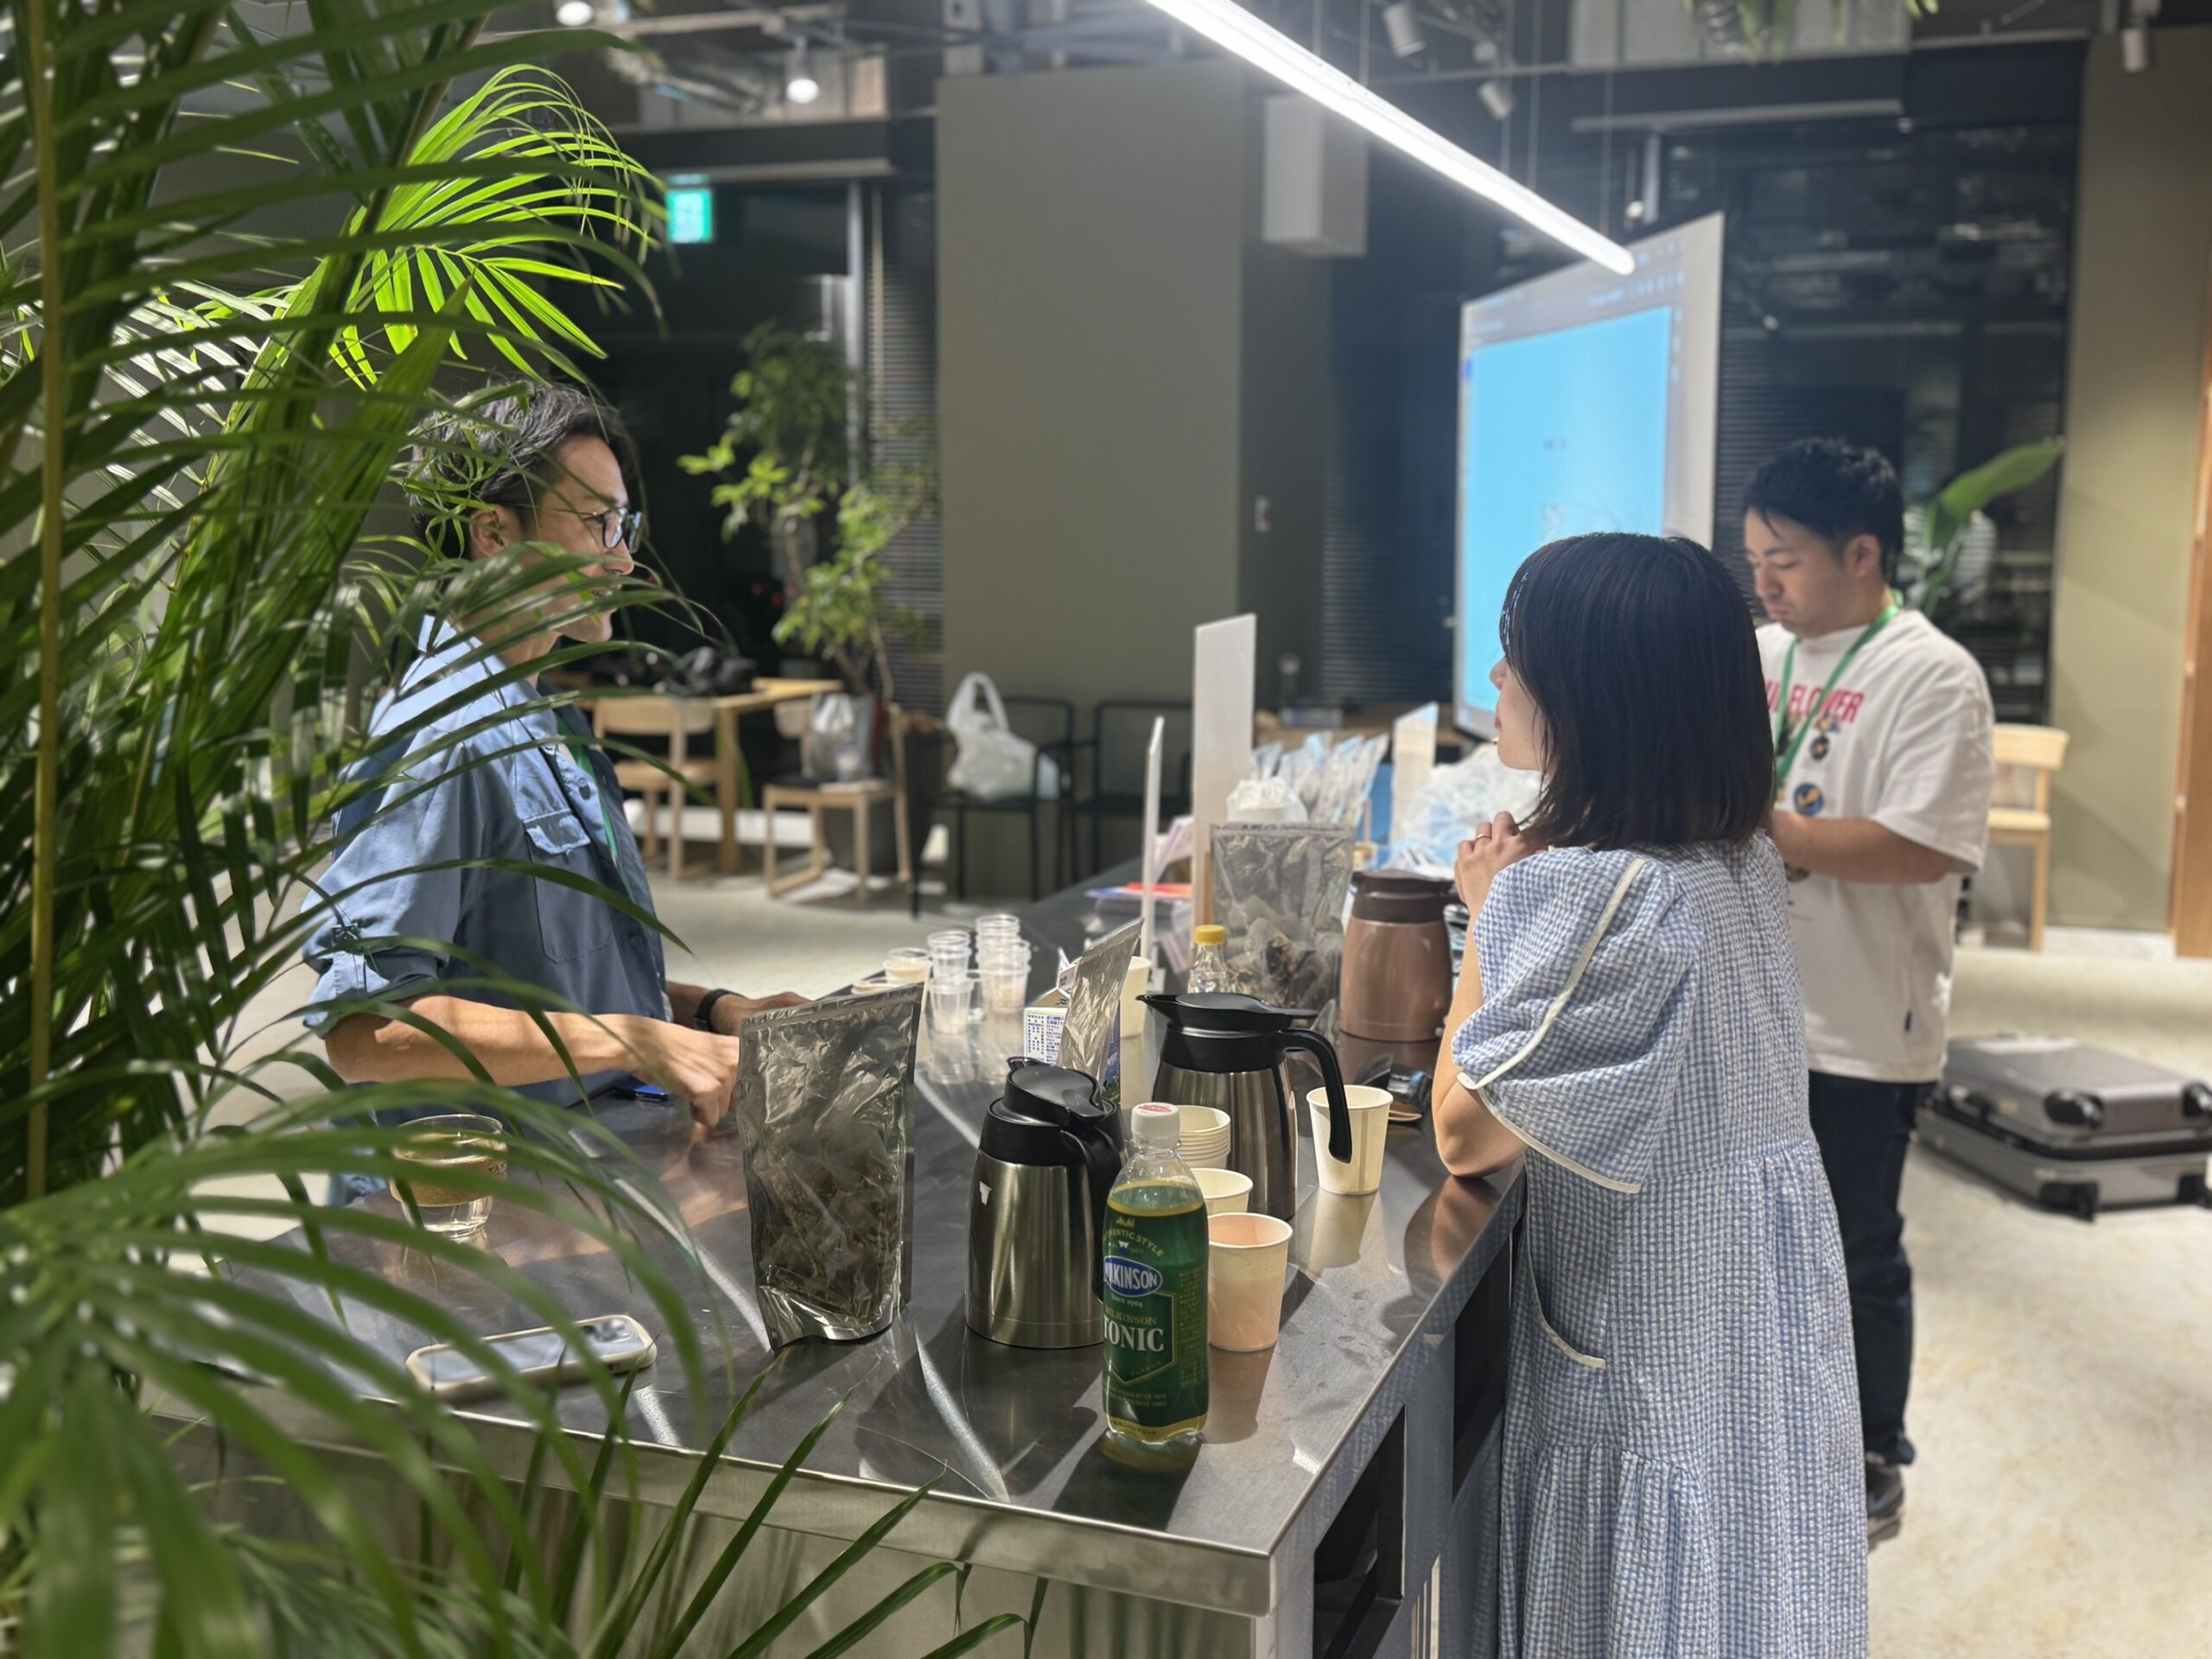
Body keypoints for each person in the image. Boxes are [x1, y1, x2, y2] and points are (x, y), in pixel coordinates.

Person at [1430, 533, 1866, 1656]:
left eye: (1518, 659)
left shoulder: (1602, 891)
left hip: (1651, 1325)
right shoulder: (1737, 858)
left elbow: (1466, 1130)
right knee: (1742, 1558)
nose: (1497, 679)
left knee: (1638, 1589)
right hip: (1748, 1302)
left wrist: (1491, 911)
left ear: (1593, 700)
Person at [302, 383, 802, 1158]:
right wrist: (633, 1040)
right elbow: (368, 1030)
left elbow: (550, 985)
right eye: (598, 524)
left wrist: (710, 1014)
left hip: (591, 1167)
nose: (623, 558)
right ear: (493, 534)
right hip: (476, 1203)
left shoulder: (546, 719)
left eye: (624, 525)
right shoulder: (442, 734)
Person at [1744, 438, 1995, 1541]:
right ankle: (1771, 1427)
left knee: (1854, 1244)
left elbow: (1923, 845)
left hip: (1859, 1018)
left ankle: (1869, 1452)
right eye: (1754, 561)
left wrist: (1766, 829)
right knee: (1755, 1237)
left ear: (1861, 554)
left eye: (1785, 561)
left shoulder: (1930, 674)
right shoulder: (1762, 654)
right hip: (1753, 1003)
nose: (1765, 585)